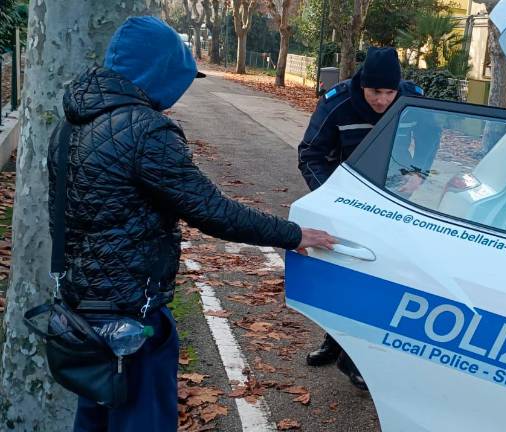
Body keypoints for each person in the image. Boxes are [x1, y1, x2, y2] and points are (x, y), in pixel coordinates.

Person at [50, 17, 335, 431]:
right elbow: (210, 210)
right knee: (143, 419)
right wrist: (292, 234)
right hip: (132, 316)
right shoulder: (147, 131)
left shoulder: (70, 124)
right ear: (157, 73)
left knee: (93, 416)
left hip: (80, 312)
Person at [297, 47, 428, 390]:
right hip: (345, 200)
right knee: (341, 272)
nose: (383, 100)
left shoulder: (412, 99)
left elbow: (432, 136)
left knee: (382, 272)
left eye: (389, 92)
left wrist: (420, 173)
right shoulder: (336, 103)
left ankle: (356, 356)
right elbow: (309, 153)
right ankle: (335, 340)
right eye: (375, 92)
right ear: (362, 85)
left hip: (393, 199)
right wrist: (334, 197)